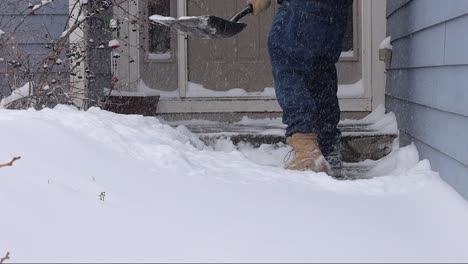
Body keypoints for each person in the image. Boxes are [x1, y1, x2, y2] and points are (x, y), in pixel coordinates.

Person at [248, 0, 353, 177]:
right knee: (320, 70)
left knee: (288, 59)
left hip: (305, 6)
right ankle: (328, 148)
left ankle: (307, 150)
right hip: (337, 10)